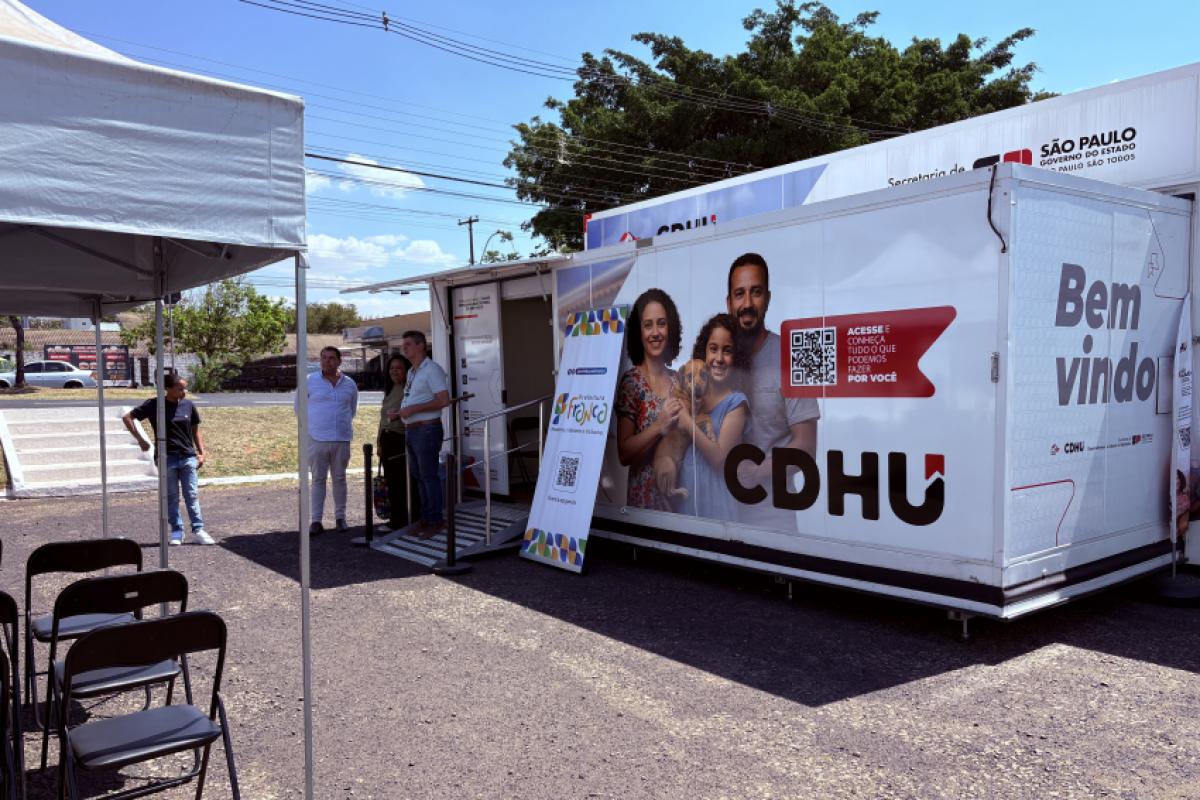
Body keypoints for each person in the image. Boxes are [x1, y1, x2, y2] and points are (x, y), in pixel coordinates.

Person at [726, 252, 819, 531]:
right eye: (739, 294)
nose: (747, 303)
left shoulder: (794, 356)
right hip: (720, 515)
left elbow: (806, 445)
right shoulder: (718, 360)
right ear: (729, 302)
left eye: (755, 292)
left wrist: (755, 473)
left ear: (767, 297)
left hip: (774, 520)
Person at [671, 314, 751, 521]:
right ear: (703, 353)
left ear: (737, 357)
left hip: (718, 511)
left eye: (727, 351)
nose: (718, 358)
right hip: (686, 508)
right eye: (713, 349)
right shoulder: (692, 399)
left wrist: (688, 422)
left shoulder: (736, 403)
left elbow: (719, 459)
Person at [122, 372, 213, 545]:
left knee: (191, 494)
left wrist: (202, 453)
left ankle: (199, 529)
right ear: (169, 389)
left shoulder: (188, 405)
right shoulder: (155, 405)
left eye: (184, 388)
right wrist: (141, 440)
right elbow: (128, 418)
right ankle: (177, 532)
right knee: (171, 497)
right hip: (166, 458)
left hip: (187, 456)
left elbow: (195, 431)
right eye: (180, 389)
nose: (183, 392)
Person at [616, 288, 683, 511]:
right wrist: (659, 426)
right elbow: (624, 454)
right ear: (639, 332)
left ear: (670, 328)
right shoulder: (631, 383)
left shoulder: (680, 381)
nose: (655, 332)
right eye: (648, 325)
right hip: (644, 506)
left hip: (679, 502)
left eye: (661, 323)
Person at [299, 346, 358, 535]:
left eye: (331, 358)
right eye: (323, 358)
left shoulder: (350, 384)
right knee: (318, 479)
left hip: (341, 438)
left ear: (339, 361)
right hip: (317, 439)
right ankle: (316, 520)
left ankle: (340, 518)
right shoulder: (309, 382)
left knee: (340, 478)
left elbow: (352, 409)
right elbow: (298, 408)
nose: (327, 361)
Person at [399, 330, 450, 537]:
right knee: (419, 476)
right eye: (404, 344)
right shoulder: (412, 371)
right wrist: (402, 411)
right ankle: (426, 518)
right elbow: (414, 398)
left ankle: (436, 520)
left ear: (421, 346)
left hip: (427, 429)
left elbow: (443, 400)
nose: (405, 348)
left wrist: (414, 409)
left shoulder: (433, 370)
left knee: (428, 476)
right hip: (412, 429)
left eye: (409, 344)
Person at [377, 353, 420, 531]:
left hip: (400, 439)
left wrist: (400, 415)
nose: (395, 371)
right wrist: (379, 442)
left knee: (401, 482)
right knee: (391, 481)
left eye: (399, 368)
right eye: (392, 368)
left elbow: (415, 414)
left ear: (407, 371)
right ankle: (397, 518)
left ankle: (402, 520)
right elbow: (382, 419)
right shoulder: (391, 388)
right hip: (387, 439)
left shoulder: (409, 389)